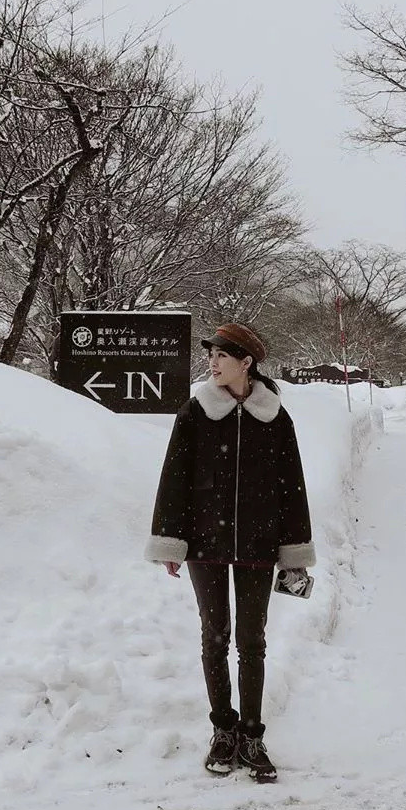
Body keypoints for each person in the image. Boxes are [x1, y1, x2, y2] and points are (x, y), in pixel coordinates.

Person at [144, 322, 315, 782]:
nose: (212, 362)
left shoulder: (275, 417)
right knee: (214, 636)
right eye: (211, 355)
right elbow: (173, 479)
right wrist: (171, 541)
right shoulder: (195, 411)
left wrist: (294, 552)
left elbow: (292, 488)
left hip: (259, 545)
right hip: (206, 543)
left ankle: (253, 735)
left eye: (221, 355)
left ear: (247, 363)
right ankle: (223, 730)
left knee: (252, 642)